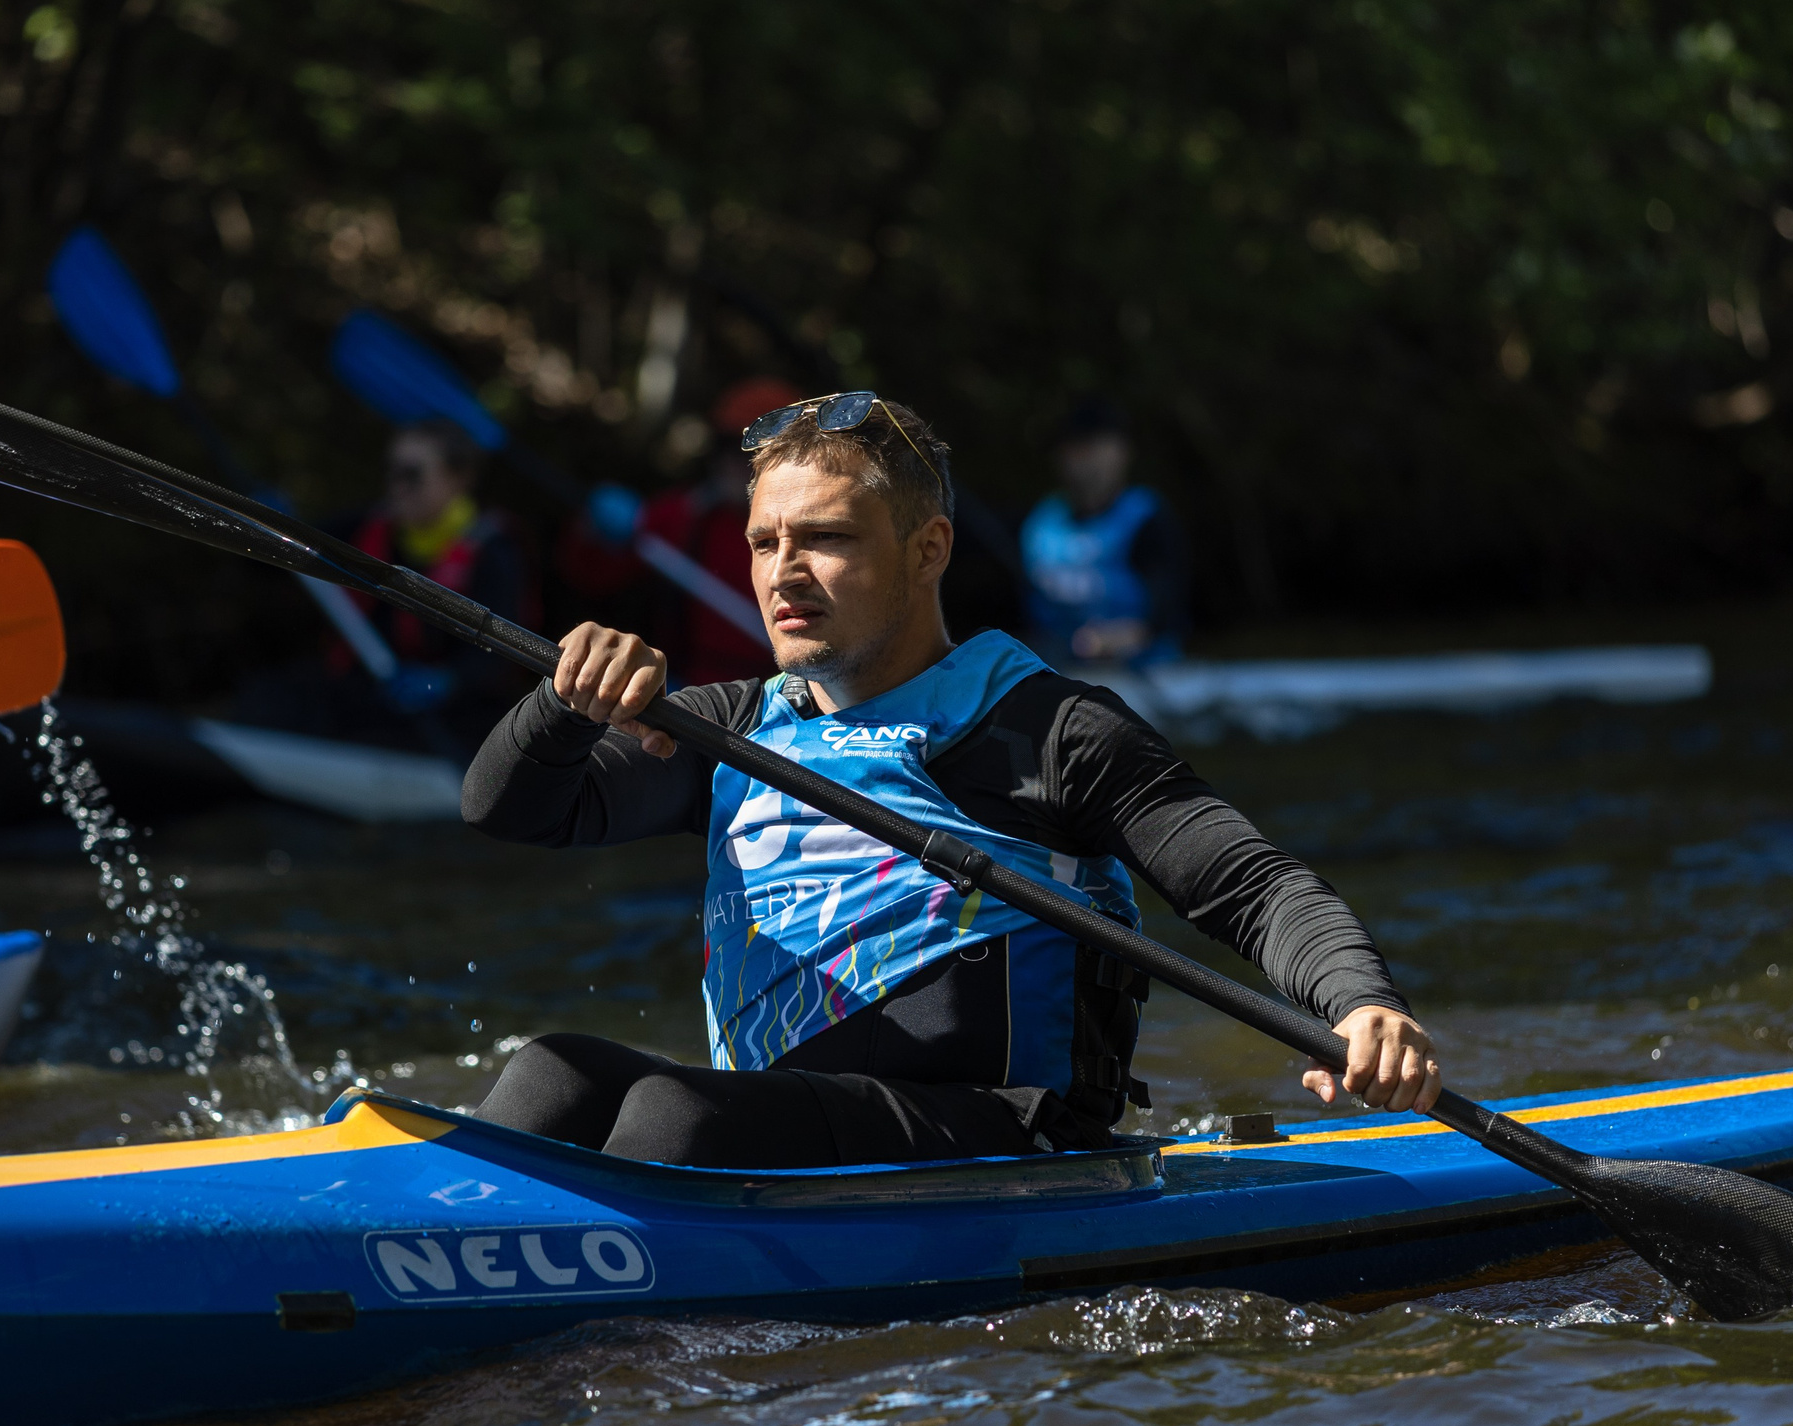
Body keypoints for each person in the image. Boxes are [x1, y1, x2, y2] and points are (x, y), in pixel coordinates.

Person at [460, 390, 1438, 1170]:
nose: (782, 573)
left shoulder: (1045, 727)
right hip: (771, 1130)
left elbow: (1253, 888)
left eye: (826, 539)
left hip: (1002, 1133)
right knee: (555, 1075)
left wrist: (1357, 1005)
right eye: (765, 542)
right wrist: (560, 705)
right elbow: (511, 809)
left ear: (927, 550)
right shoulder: (730, 728)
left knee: (674, 1116)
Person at [553, 378, 795, 688]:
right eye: (728, 449)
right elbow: (591, 575)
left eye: (752, 456)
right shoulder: (684, 515)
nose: (735, 466)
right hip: (693, 689)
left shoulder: (813, 528)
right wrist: (589, 533)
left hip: (784, 689)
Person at [339, 418, 538, 756]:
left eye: (412, 475)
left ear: (457, 480)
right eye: (392, 471)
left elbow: (501, 657)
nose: (396, 486)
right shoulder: (367, 526)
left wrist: (446, 683)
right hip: (372, 700)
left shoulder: (492, 552)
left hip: (456, 720)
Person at [1020, 395, 1190, 665]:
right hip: (1054, 667)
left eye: (1091, 445)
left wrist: (1131, 636)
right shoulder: (1040, 523)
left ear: (1122, 451)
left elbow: (1169, 603)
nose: (1081, 459)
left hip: (1141, 668)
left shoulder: (1146, 515)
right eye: (1072, 448)